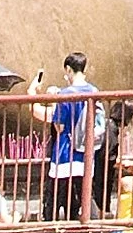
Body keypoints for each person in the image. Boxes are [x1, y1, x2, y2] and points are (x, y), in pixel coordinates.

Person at [37, 55, 93, 223]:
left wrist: (54, 104)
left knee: (55, 198)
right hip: (84, 154)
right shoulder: (93, 91)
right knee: (76, 202)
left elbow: (59, 127)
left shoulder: (65, 94)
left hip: (64, 153)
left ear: (69, 69)